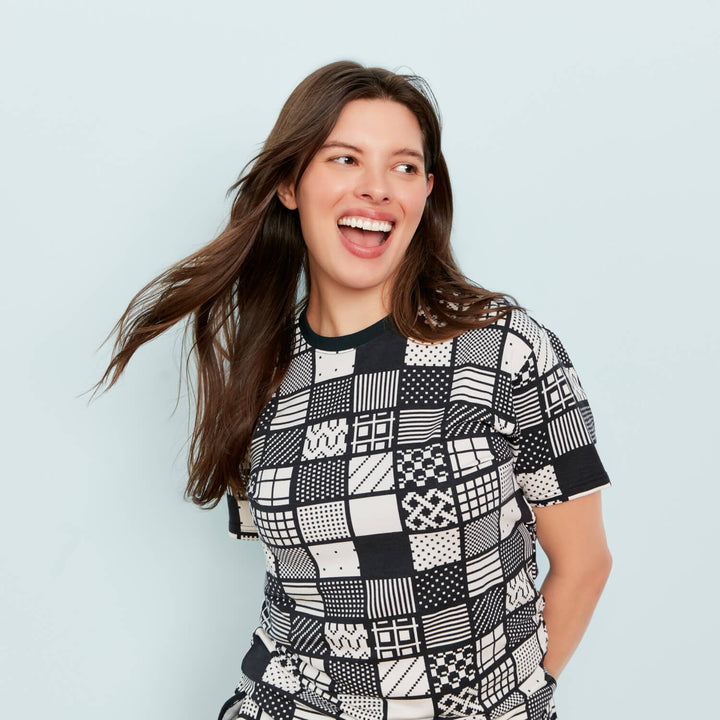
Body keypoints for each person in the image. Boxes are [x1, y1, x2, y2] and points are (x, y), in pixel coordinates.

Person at [100, 61, 611, 720]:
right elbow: (296, 596)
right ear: (290, 184)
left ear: (426, 192)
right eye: (345, 159)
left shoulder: (503, 349)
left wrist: (516, 704)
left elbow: (584, 565)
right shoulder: (261, 370)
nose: (377, 188)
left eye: (404, 167)